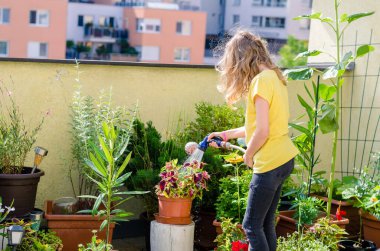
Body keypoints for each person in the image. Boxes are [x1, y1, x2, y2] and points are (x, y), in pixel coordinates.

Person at [207, 30, 299, 251]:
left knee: (251, 226)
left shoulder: (260, 82)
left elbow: (263, 131)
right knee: (265, 224)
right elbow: (259, 126)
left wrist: (248, 154)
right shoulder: (275, 78)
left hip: (268, 164)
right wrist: (227, 134)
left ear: (240, 59)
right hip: (284, 159)